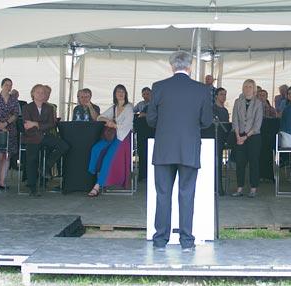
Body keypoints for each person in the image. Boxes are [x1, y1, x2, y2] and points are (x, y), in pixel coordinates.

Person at [147, 51, 213, 252]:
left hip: (164, 148)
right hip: (189, 148)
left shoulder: (159, 87)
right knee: (187, 195)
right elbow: (206, 121)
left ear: (171, 67)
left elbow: (150, 119)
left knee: (163, 194)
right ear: (190, 67)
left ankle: (160, 240)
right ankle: (186, 241)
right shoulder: (202, 90)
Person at [87, 84, 135, 197]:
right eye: (118, 91)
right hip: (111, 136)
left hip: (122, 137)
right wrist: (107, 120)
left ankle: (97, 185)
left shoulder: (129, 107)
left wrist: (114, 125)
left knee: (108, 158)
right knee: (96, 149)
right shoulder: (113, 107)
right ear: (115, 94)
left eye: (122, 91)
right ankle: (92, 173)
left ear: (125, 93)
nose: (120, 93)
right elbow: (99, 117)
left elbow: (127, 124)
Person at [21, 84, 68, 195]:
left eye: (43, 92)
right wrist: (39, 126)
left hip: (45, 136)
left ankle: (46, 165)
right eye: (38, 92)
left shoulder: (49, 108)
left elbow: (51, 124)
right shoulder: (27, 108)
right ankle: (32, 187)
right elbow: (27, 125)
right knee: (31, 159)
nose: (41, 94)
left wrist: (36, 124)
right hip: (31, 137)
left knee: (64, 146)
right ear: (33, 94)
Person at [229, 79, 264, 198]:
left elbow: (257, 123)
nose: (248, 89)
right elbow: (235, 119)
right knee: (240, 162)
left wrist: (246, 136)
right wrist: (238, 136)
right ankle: (239, 188)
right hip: (239, 135)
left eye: (250, 87)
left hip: (253, 136)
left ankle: (253, 189)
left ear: (253, 89)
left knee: (254, 162)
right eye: (246, 86)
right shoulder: (238, 101)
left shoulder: (258, 103)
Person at [0, 79, 21, 191]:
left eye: (10, 85)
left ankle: (2, 181)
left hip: (10, 128)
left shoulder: (14, 99)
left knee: (7, 155)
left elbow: (16, 113)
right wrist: (0, 125)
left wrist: (6, 123)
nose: (8, 87)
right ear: (2, 86)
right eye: (6, 85)